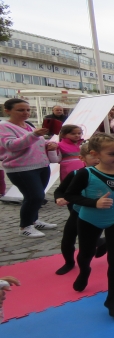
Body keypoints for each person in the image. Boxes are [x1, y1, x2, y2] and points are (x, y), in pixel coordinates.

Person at [64, 133, 114, 319]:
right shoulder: (86, 174)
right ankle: (84, 271)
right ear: (95, 154)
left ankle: (112, 298)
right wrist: (93, 203)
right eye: (113, 154)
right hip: (90, 220)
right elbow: (71, 196)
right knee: (85, 254)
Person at [0, 98, 58, 238]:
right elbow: (11, 145)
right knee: (34, 196)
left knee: (39, 196)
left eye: (27, 110)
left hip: (40, 165)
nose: (25, 113)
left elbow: (36, 142)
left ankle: (34, 219)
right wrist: (34, 135)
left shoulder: (28, 125)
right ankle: (25, 226)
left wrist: (48, 144)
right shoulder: (4, 126)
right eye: (20, 110)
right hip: (21, 168)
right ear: (7, 111)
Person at [53, 143, 106, 275]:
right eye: (93, 156)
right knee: (67, 239)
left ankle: (104, 242)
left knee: (89, 242)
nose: (98, 159)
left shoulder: (110, 174)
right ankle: (69, 263)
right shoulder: (76, 174)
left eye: (100, 155)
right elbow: (60, 190)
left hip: (95, 215)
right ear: (82, 158)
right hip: (76, 212)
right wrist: (59, 198)